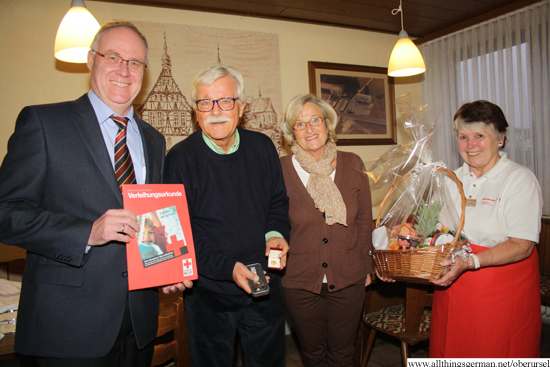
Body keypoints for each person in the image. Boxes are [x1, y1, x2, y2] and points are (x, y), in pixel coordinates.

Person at [0, 21, 191, 366]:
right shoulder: (43, 123)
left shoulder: (153, 139)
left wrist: (164, 266)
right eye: (113, 56)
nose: (124, 70)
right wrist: (86, 232)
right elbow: (6, 213)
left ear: (144, 72)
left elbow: (150, 218)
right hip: (66, 326)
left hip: (138, 321)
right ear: (91, 60)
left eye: (135, 62)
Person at [163, 64, 290, 367]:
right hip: (209, 294)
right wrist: (227, 268)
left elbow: (277, 203)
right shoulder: (179, 158)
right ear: (196, 111)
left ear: (241, 108)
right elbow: (180, 232)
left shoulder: (262, 147)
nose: (215, 110)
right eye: (205, 102)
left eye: (225, 101)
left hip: (265, 287)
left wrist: (275, 235)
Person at [429, 100, 543, 357]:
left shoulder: (519, 179)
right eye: (463, 136)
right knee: (450, 349)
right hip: (452, 289)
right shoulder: (451, 179)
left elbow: (522, 246)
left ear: (500, 138)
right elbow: (437, 233)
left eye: (480, 135)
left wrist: (470, 261)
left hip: (501, 294)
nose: (470, 145)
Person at [279, 94, 373, 366]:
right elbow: (272, 222)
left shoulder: (353, 163)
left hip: (348, 276)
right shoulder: (280, 170)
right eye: (299, 124)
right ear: (291, 132)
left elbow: (364, 220)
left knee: (343, 354)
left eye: (314, 120)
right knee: (313, 355)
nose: (309, 129)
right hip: (298, 281)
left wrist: (366, 267)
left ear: (327, 123)